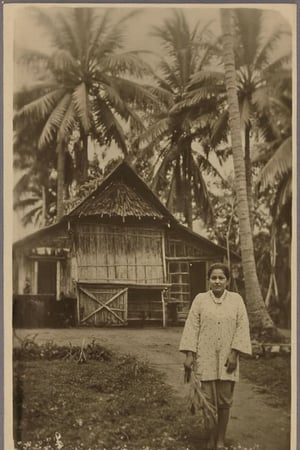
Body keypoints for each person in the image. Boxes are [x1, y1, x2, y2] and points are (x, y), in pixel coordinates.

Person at [179, 262, 252, 450]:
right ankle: (210, 438)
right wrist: (189, 355)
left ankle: (221, 439)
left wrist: (235, 354)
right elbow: (192, 327)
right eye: (214, 278)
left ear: (227, 281)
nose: (217, 281)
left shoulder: (236, 300)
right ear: (208, 280)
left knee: (224, 401)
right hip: (205, 357)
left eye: (221, 278)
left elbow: (242, 327)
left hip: (228, 359)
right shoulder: (200, 300)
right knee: (208, 401)